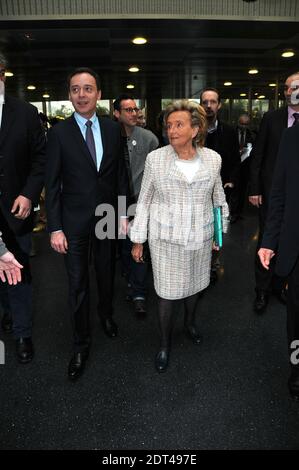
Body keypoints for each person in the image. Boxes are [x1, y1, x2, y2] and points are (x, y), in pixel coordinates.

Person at [130, 100, 229, 373]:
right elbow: (145, 200)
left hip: (200, 236)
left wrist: (219, 235)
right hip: (165, 239)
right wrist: (138, 239)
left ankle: (189, 323)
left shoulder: (213, 159)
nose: (171, 131)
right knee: (166, 293)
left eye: (179, 125)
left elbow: (218, 200)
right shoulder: (156, 159)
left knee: (196, 286)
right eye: (169, 125)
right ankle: (164, 343)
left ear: (195, 129)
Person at [45, 67, 128, 381]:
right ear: (69, 95)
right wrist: (54, 227)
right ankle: (80, 343)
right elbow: (51, 184)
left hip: (107, 215)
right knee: (77, 282)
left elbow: (119, 174)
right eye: (76, 89)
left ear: (99, 94)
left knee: (106, 272)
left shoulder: (111, 129)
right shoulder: (58, 134)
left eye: (88, 88)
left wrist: (123, 213)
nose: (82, 94)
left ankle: (106, 315)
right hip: (73, 221)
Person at [0, 53, 46, 361]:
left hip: (16, 212)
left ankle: (22, 333)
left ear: (2, 73)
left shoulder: (26, 113)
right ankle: (8, 313)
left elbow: (40, 159)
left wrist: (29, 194)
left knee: (19, 274)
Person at [249, 71, 299, 314]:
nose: (292, 92)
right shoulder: (272, 118)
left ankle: (282, 286)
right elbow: (258, 154)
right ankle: (262, 290)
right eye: (289, 88)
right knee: (267, 240)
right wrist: (255, 188)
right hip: (271, 193)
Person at [258, 123, 299, 401]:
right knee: (296, 316)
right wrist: (269, 240)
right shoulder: (293, 136)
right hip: (297, 246)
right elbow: (280, 193)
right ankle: (297, 370)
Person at [113, 94, 158, 315]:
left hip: (141, 200)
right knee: (122, 244)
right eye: (128, 110)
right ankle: (131, 282)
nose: (133, 113)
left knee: (138, 243)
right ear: (117, 114)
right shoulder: (108, 137)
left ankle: (139, 292)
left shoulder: (149, 138)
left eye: (135, 109)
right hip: (114, 202)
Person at [200, 87, 240, 283]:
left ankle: (213, 264)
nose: (208, 106)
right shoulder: (193, 130)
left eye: (212, 102)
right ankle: (199, 265)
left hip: (220, 190)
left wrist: (231, 180)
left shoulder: (229, 131)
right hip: (197, 190)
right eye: (205, 102)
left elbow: (234, 160)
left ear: (219, 105)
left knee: (217, 229)